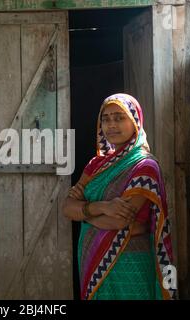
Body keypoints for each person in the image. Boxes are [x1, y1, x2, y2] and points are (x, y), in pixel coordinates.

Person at [62, 93, 176, 300]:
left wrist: (84, 215)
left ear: (135, 122)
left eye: (119, 117)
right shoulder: (95, 165)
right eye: (105, 119)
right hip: (91, 257)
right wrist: (102, 207)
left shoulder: (144, 166)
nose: (111, 124)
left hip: (130, 258)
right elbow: (67, 208)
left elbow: (118, 220)